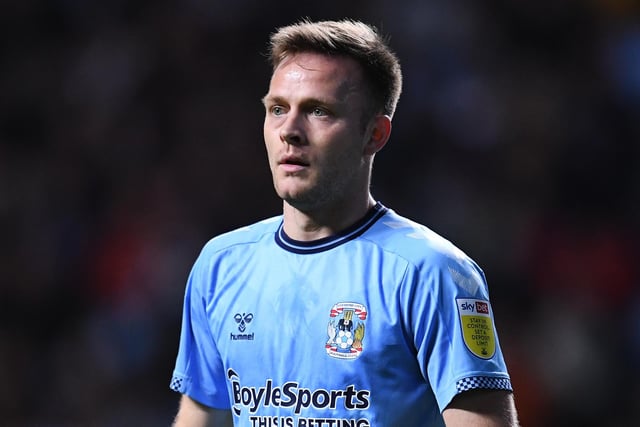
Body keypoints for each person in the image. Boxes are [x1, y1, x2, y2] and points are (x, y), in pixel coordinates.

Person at [169, 18, 519, 427]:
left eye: (319, 111)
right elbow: (201, 416)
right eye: (278, 109)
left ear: (374, 134)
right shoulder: (220, 265)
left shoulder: (432, 272)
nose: (290, 131)